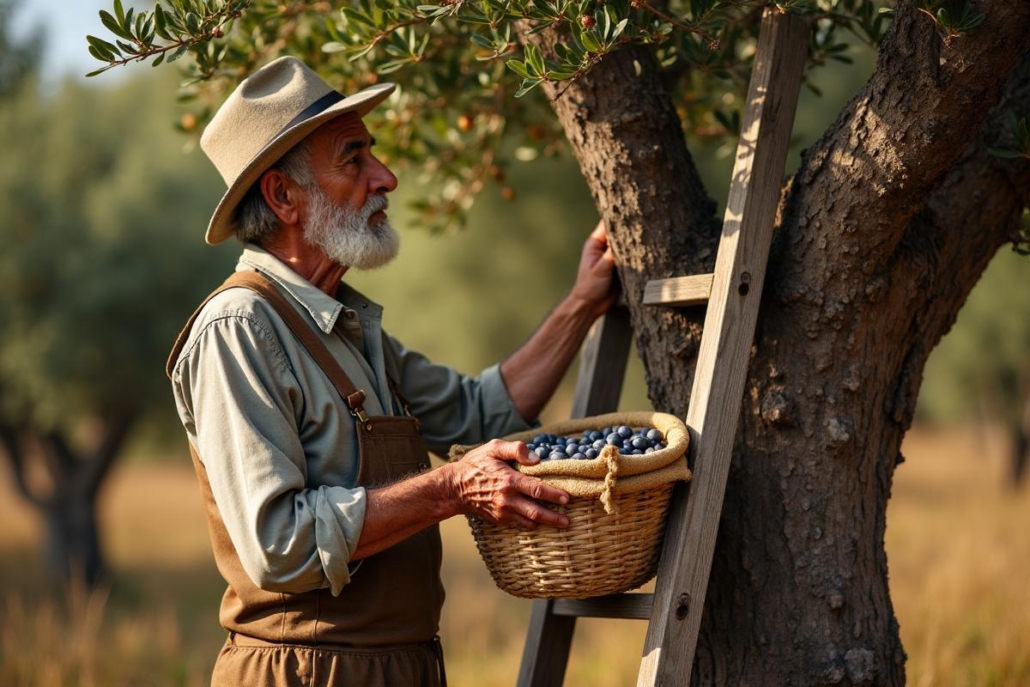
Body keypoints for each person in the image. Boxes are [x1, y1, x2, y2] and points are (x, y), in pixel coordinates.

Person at [168, 56, 616, 687]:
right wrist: (453, 488)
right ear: (283, 196)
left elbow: (483, 413)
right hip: (304, 675)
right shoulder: (240, 329)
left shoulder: (348, 326)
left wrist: (583, 303)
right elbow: (280, 544)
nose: (387, 178)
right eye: (355, 159)